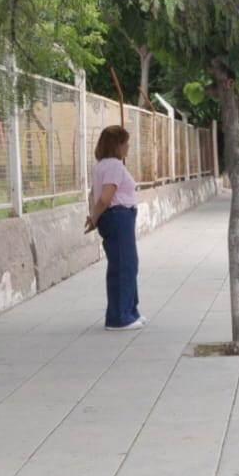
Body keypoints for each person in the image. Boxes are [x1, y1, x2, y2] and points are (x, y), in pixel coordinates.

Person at [84, 125, 143, 329]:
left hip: (115, 217)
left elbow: (93, 194)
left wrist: (93, 218)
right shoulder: (114, 166)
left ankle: (130, 311)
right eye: (125, 143)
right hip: (119, 217)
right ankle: (119, 317)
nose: (127, 147)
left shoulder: (101, 165)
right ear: (116, 145)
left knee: (126, 263)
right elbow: (106, 197)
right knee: (124, 265)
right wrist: (94, 217)